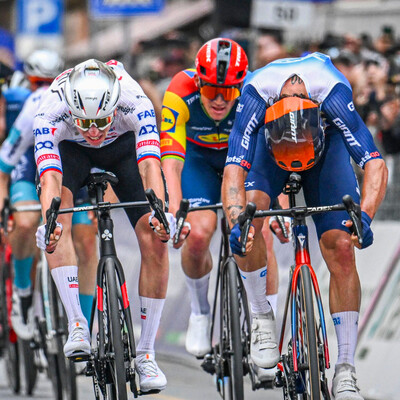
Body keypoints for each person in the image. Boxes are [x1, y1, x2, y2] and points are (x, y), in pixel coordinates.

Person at [221, 52, 388, 399]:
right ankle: (261, 315)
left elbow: (374, 162)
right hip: (271, 153)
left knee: (341, 246)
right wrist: (237, 220)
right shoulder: (254, 94)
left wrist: (366, 215)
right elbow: (234, 170)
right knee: (250, 223)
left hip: (325, 151)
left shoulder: (333, 92)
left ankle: (345, 368)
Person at [33, 58, 172, 393]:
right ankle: (78, 323)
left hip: (122, 151)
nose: (94, 130)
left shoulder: (133, 100)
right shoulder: (51, 109)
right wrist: (49, 220)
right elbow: (51, 177)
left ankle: (146, 354)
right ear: (72, 109)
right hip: (71, 152)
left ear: (114, 106)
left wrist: (160, 211)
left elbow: (150, 165)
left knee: (155, 237)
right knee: (58, 220)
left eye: (101, 120)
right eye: (86, 122)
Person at [160, 37, 284, 370]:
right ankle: (200, 312)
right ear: (198, 80)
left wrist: (280, 203)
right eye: (211, 89)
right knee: (198, 234)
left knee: (258, 233)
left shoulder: (255, 92)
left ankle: (264, 324)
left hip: (242, 162)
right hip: (198, 162)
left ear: (240, 85)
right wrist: (174, 209)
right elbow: (170, 160)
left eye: (228, 91)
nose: (218, 99)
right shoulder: (179, 90)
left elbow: (275, 153)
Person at [0, 50, 99, 342]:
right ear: (30, 84)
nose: (44, 87)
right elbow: (6, 164)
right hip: (31, 166)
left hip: (71, 169)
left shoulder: (81, 98)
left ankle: (83, 326)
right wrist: (6, 207)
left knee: (86, 241)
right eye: (38, 81)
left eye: (49, 80)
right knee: (27, 221)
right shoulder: (32, 106)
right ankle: (23, 292)